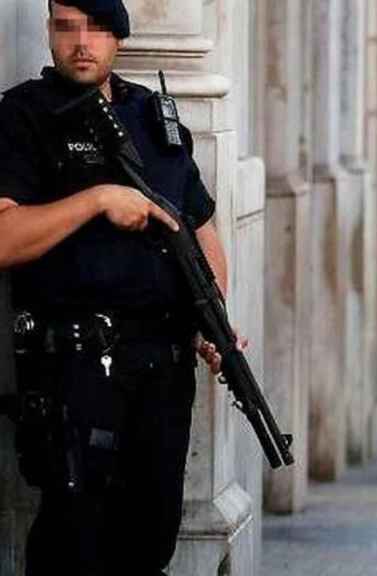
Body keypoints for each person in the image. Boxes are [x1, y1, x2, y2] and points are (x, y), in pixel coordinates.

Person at [0, 1, 237, 573]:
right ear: (50, 33)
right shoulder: (23, 116)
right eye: (67, 27)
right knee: (74, 538)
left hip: (163, 366)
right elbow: (5, 238)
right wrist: (97, 200)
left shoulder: (155, 116)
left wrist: (214, 324)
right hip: (76, 367)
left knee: (150, 537)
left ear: (120, 38)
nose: (81, 43)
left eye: (97, 28)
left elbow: (200, 225)